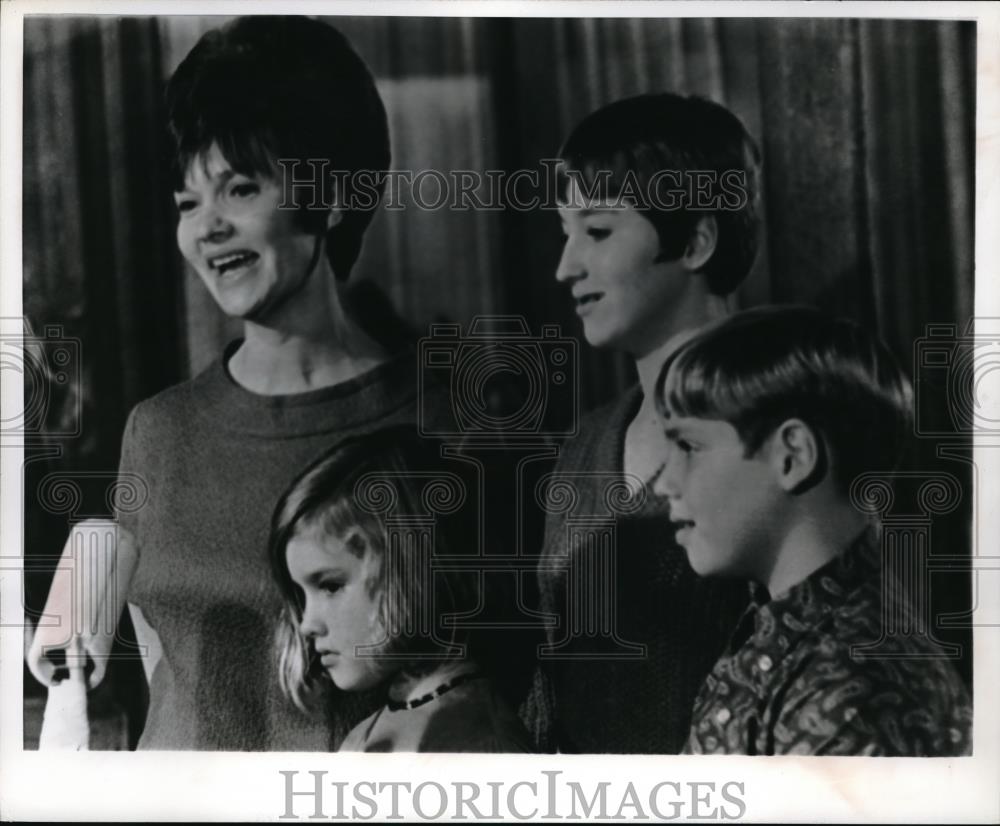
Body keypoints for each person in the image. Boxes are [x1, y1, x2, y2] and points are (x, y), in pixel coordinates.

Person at [27, 16, 448, 750]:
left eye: (239, 188)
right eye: (188, 203)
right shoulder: (158, 430)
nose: (206, 227)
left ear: (335, 195)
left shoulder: (441, 420)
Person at [530, 93, 763, 753]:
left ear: (695, 239)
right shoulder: (582, 445)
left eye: (597, 232)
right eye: (564, 232)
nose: (565, 267)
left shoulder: (778, 435)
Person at [653, 305, 972, 756]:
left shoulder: (853, 689)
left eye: (688, 445)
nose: (663, 483)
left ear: (792, 456)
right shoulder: (780, 636)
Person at [270, 426, 534, 752]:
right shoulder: (367, 735)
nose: (308, 624)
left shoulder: (481, 743)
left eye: (331, 586)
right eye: (301, 595)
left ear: (410, 567)